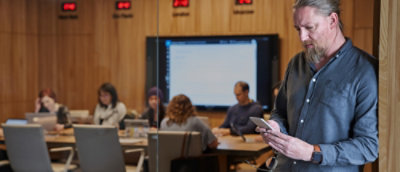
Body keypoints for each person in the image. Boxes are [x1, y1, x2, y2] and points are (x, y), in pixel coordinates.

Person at [259, 0, 378, 171]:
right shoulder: (295, 64)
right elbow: (280, 112)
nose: (302, 37)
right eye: (297, 29)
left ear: (332, 21)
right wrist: (275, 127)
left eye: (309, 28)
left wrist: (311, 153)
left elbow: (369, 147)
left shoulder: (366, 70)